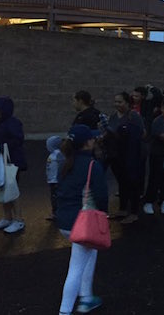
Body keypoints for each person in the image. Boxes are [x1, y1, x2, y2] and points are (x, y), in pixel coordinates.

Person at [57, 125, 108, 315]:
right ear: (87, 143)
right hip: (82, 223)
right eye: (92, 139)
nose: (95, 140)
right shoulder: (93, 166)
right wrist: (104, 214)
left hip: (65, 221)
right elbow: (102, 196)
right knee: (76, 267)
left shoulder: (66, 164)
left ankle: (87, 297)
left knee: (88, 254)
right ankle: (65, 310)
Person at [0, 96, 28, 233]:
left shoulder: (13, 123)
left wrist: (1, 147)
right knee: (3, 188)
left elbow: (18, 140)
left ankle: (19, 220)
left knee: (12, 189)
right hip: (1, 160)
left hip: (11, 161)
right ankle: (7, 218)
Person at [105, 92, 144, 224]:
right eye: (116, 101)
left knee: (132, 183)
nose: (117, 104)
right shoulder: (113, 117)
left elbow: (141, 134)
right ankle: (122, 209)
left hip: (131, 155)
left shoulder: (133, 117)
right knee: (122, 182)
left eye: (120, 102)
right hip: (116, 155)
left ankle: (134, 212)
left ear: (128, 103)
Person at [143, 98, 164, 215]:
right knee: (155, 178)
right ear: (162, 108)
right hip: (157, 154)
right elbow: (161, 135)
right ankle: (149, 201)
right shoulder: (157, 121)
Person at [46, 135, 64, 221]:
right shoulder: (53, 154)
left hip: (56, 180)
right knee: (54, 197)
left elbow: (61, 165)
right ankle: (56, 212)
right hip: (52, 180)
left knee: (55, 197)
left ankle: (57, 213)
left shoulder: (58, 154)